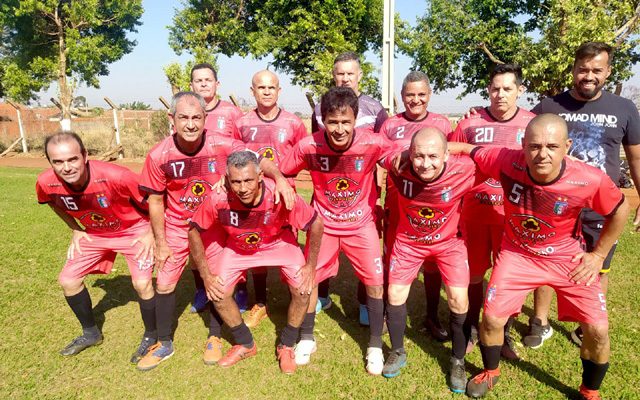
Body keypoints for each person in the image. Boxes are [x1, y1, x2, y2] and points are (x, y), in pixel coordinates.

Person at [448, 114, 629, 400]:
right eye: (534, 146)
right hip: (517, 254)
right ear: (523, 145)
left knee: (598, 329)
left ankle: (589, 391)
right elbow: (474, 151)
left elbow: (619, 210)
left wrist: (598, 256)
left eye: (552, 147)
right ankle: (491, 372)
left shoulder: (589, 178)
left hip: (566, 258)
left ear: (567, 146)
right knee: (492, 318)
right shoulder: (507, 160)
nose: (542, 154)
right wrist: (451, 147)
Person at [136, 91, 295, 371]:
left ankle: (215, 336)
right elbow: (156, 200)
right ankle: (163, 343)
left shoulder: (222, 144)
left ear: (205, 119)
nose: (190, 124)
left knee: (218, 282)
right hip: (178, 225)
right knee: (164, 283)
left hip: (214, 224)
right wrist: (160, 241)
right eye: (183, 117)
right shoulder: (158, 155)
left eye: (196, 117)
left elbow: (257, 159)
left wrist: (279, 178)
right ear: (171, 118)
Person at [525, 42, 640, 349]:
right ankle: (540, 321)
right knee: (546, 263)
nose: (589, 76)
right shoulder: (550, 106)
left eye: (596, 70)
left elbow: (636, 158)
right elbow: (515, 126)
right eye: (583, 69)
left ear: (608, 71)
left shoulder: (624, 109)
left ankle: (585, 322)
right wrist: (479, 112)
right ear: (574, 70)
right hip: (555, 208)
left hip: (601, 208)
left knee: (598, 265)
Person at [280, 86, 396, 375]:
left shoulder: (373, 143)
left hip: (361, 225)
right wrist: (283, 186)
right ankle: (306, 337)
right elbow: (282, 170)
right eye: (333, 122)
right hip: (323, 226)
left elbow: (404, 160)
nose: (340, 129)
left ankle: (374, 345)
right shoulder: (309, 145)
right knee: (309, 279)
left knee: (375, 282)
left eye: (346, 122)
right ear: (323, 121)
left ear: (355, 119)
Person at [188, 151, 323, 374]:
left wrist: (310, 266)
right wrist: (205, 274)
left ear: (260, 176)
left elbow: (316, 224)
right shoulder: (218, 197)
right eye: (236, 182)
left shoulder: (278, 194)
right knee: (218, 292)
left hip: (277, 243)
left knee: (303, 290)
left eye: (249, 180)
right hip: (239, 247)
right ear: (227, 180)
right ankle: (245, 344)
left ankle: (287, 345)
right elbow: (193, 230)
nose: (243, 188)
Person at [36, 132, 156, 362]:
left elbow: (155, 200)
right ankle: (91, 333)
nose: (67, 167)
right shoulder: (45, 182)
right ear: (50, 163)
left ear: (85, 156)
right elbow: (52, 203)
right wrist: (76, 228)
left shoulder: (117, 176)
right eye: (58, 162)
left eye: (73, 159)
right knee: (68, 281)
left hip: (134, 231)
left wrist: (150, 232)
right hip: (95, 234)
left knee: (142, 284)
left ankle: (152, 337)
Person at [380, 128, 478, 393]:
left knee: (459, 298)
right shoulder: (398, 165)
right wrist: (400, 154)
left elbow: (494, 158)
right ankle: (398, 351)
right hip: (409, 242)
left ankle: (458, 360)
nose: (425, 164)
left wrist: (460, 147)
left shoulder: (464, 170)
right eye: (419, 156)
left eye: (433, 156)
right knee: (395, 293)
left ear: (446, 155)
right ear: (409, 154)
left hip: (449, 244)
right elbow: (378, 153)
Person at [448, 63, 535, 359]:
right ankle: (472, 327)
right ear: (488, 89)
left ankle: (505, 334)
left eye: (508, 89)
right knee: (472, 275)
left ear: (519, 91)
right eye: (495, 88)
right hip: (472, 214)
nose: (500, 95)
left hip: (514, 220)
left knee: (507, 278)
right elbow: (449, 159)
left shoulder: (532, 124)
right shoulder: (470, 123)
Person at [311, 51, 388, 324]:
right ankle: (321, 295)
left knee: (365, 247)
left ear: (359, 76)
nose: (344, 78)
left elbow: (383, 145)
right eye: (340, 73)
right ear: (333, 75)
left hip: (362, 189)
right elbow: (317, 146)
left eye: (350, 73)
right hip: (328, 188)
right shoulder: (321, 108)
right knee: (320, 240)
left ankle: (366, 303)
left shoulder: (375, 108)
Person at [231, 70, 309, 326]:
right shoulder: (242, 123)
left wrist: (287, 181)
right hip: (251, 196)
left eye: (271, 87)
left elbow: (303, 154)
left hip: (285, 194)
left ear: (279, 90)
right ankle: (261, 302)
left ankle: (294, 296)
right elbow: (233, 158)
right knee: (257, 244)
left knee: (289, 243)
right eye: (261, 87)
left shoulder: (293, 123)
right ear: (252, 91)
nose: (266, 92)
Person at [380, 71, 453, 341]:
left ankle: (432, 316)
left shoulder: (442, 123)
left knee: (433, 260)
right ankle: (390, 311)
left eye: (421, 94)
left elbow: (452, 155)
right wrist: (396, 157)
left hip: (434, 205)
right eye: (410, 94)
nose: (415, 99)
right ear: (402, 97)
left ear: (429, 95)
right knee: (392, 257)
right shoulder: (390, 125)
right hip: (398, 202)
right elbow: (379, 155)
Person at [188, 62, 245, 313]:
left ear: (217, 84)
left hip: (225, 191)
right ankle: (202, 290)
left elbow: (241, 150)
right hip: (194, 191)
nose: (203, 84)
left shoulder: (232, 113)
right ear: (191, 85)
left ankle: (241, 292)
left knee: (232, 240)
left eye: (207, 80)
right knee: (196, 239)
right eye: (198, 81)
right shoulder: (184, 110)